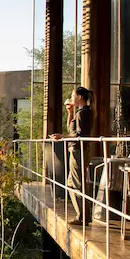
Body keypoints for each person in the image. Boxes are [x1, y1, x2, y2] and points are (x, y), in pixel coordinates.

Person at [50, 86, 94, 224]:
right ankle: (83, 215)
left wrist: (62, 136)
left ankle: (83, 217)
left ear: (79, 97)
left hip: (78, 151)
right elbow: (72, 129)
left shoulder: (83, 113)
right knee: (72, 183)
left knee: (76, 183)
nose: (71, 97)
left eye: (73, 95)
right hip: (76, 150)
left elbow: (80, 135)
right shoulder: (80, 113)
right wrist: (70, 113)